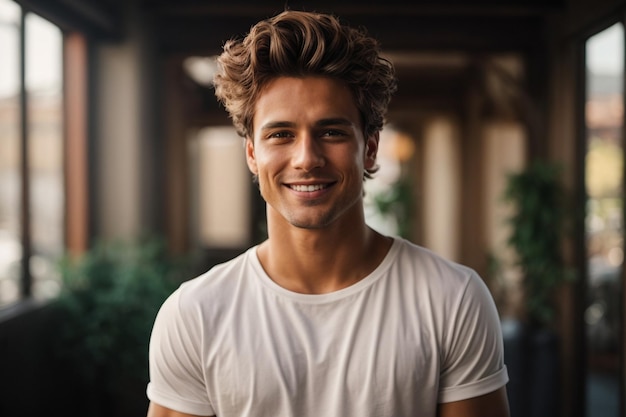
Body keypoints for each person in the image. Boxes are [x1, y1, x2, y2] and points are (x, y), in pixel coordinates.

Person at [146, 9, 510, 417]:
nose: (306, 158)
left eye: (332, 132)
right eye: (281, 134)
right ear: (252, 153)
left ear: (370, 147)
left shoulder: (452, 299)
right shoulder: (194, 315)